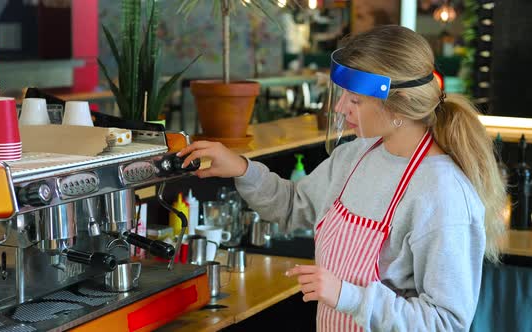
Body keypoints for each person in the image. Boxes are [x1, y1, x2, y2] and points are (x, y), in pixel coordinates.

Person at [177, 25, 506, 331]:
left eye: (356, 100)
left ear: (399, 107)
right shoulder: (356, 154)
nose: (340, 108)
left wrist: (349, 297)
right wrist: (242, 168)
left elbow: (446, 323)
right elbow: (293, 205)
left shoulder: (443, 194)